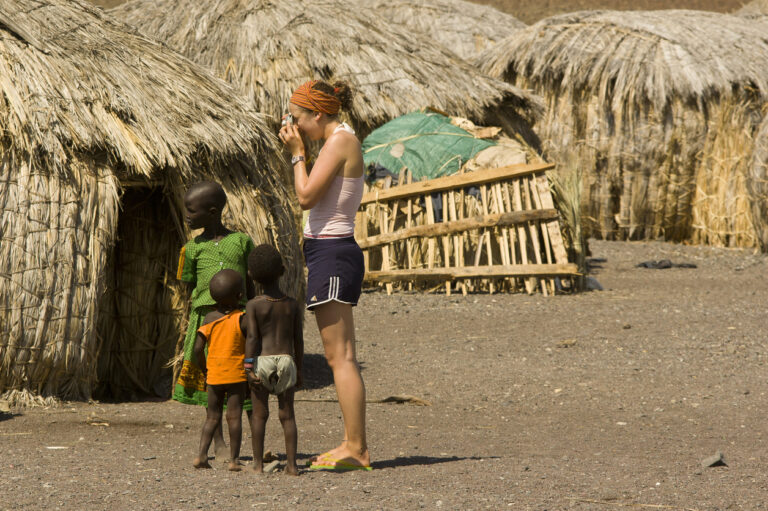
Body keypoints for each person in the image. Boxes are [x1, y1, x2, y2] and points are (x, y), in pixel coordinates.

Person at [278, 79, 370, 471]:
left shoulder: (340, 142)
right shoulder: (337, 140)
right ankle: (353, 444)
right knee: (338, 355)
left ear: (318, 113)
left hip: (333, 252)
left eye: (297, 118)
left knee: (341, 357)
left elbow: (305, 197)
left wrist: (298, 155)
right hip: (327, 250)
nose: (294, 126)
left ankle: (357, 448)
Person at [174, 181, 255, 457]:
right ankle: (218, 442)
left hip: (239, 321)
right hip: (205, 321)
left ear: (211, 211)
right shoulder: (190, 249)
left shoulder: (242, 242)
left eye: (190, 210)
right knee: (212, 380)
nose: (186, 215)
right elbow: (189, 289)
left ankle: (252, 442)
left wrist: (252, 316)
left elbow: (251, 284)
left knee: (243, 374)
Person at [244, 244, 303, 475]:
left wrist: (248, 368)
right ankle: (292, 466)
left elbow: (251, 338)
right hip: (288, 360)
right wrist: (301, 370)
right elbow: (299, 340)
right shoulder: (292, 305)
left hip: (262, 361)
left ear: (251, 275)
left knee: (259, 414)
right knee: (287, 415)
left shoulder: (253, 306)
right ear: (282, 271)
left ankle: (257, 466)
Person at [192, 269, 248, 471]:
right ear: (240, 296)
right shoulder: (242, 318)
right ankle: (234, 460)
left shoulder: (209, 319)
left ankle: (201, 456)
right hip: (236, 375)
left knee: (212, 417)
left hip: (214, 375)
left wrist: (205, 370)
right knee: (234, 416)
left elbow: (197, 349)